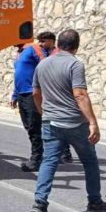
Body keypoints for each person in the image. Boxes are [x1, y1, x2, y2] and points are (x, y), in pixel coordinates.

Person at [29, 29, 106, 212]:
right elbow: (80, 94)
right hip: (75, 123)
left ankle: (40, 203)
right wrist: (93, 122)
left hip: (51, 122)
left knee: (49, 162)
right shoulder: (75, 64)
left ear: (57, 44)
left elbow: (35, 93)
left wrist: (43, 112)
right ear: (77, 46)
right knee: (89, 162)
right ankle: (95, 202)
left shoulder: (42, 64)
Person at [12, 32, 72, 172]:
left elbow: (46, 63)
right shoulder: (19, 53)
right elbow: (18, 75)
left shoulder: (33, 48)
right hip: (22, 95)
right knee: (29, 127)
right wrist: (14, 95)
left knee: (34, 127)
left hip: (33, 93)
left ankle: (36, 159)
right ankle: (53, 152)